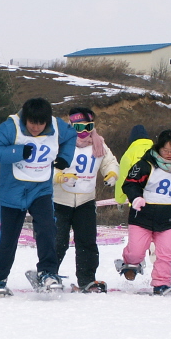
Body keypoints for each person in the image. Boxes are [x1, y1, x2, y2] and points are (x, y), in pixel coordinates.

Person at [0, 97, 77, 297]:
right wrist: (17, 151)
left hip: (41, 189)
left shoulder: (57, 126)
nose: (36, 127)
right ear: (25, 118)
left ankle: (48, 272)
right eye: (32, 122)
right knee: (8, 238)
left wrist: (65, 158)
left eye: (40, 123)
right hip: (12, 191)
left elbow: (71, 136)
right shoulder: (11, 127)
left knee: (47, 229)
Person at [117, 130, 171, 295]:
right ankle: (130, 261)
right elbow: (129, 184)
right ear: (158, 149)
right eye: (165, 151)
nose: (169, 154)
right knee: (136, 252)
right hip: (142, 217)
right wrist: (136, 198)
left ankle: (161, 283)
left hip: (168, 219)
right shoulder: (145, 165)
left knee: (165, 253)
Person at [53, 107, 119, 293]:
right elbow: (47, 166)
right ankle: (48, 272)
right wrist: (60, 177)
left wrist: (112, 173)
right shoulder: (61, 143)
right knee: (58, 241)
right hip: (60, 201)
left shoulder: (99, 144)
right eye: (79, 126)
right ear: (71, 125)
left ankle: (87, 278)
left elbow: (110, 162)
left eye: (88, 126)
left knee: (87, 241)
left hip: (86, 201)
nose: (84, 131)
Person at [114, 124, 154, 205]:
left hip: (137, 199)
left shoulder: (129, 154)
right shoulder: (157, 150)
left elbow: (123, 178)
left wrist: (120, 200)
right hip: (159, 199)